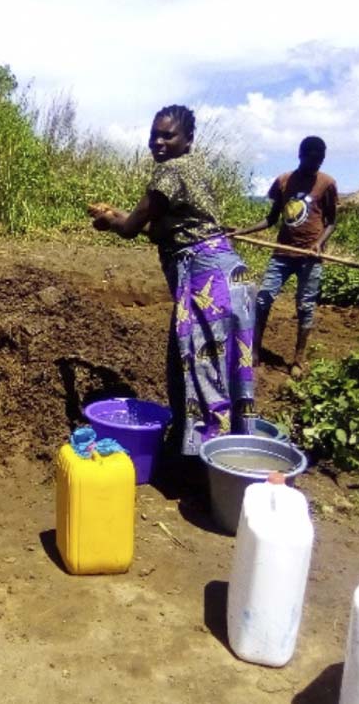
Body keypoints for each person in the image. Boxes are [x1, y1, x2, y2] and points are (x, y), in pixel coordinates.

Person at [88, 105, 256, 457]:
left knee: (200, 369)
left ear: (188, 140)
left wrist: (111, 221)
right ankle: (221, 451)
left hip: (207, 280)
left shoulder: (170, 172)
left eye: (168, 135)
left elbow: (132, 228)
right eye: (154, 136)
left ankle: (203, 466)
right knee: (224, 370)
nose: (158, 143)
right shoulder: (193, 170)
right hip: (230, 275)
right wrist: (118, 214)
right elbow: (156, 228)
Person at [242, 137, 337, 378]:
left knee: (305, 307)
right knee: (263, 299)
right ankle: (254, 351)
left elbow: (331, 222)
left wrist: (318, 244)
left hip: (309, 257)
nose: (314, 165)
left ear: (323, 159)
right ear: (300, 155)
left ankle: (298, 359)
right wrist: (240, 232)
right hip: (283, 253)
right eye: (310, 159)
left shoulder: (327, 184)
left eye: (319, 161)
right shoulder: (284, 181)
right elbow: (271, 219)